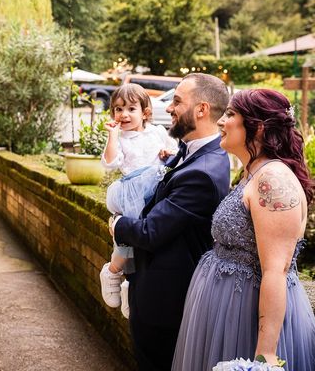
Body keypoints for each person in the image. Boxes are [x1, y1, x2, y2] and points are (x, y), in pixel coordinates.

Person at [172, 89, 315, 371]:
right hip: (223, 310)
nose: (221, 122)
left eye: (231, 114)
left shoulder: (272, 180)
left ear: (258, 127)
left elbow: (276, 270)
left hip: (245, 317)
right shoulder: (252, 172)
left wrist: (264, 357)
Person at [109, 73, 231, 371]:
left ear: (201, 109)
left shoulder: (203, 171)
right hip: (156, 288)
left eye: (177, 101)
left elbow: (151, 231)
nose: (170, 108)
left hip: (165, 298)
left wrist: (117, 224)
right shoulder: (191, 152)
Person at [99, 83, 178, 319]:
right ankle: (113, 271)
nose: (124, 114)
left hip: (155, 188)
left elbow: (173, 151)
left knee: (148, 240)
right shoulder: (120, 138)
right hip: (131, 188)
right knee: (128, 234)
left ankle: (130, 284)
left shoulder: (157, 132)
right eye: (118, 109)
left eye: (131, 109)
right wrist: (112, 136)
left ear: (145, 112)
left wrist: (166, 153)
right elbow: (110, 162)